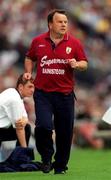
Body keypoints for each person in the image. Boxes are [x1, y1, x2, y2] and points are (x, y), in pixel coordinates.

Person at [23, 9, 88, 174]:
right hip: (43, 93)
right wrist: (28, 71)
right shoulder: (38, 41)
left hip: (65, 95)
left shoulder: (74, 43)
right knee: (44, 126)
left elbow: (84, 63)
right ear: (50, 24)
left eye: (65, 22)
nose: (64, 24)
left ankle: (60, 167)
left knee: (65, 132)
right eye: (60, 22)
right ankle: (46, 158)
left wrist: (77, 64)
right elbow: (29, 57)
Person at [0, 74, 34, 149]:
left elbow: (24, 114)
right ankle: (21, 158)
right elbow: (19, 128)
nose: (32, 90)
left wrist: (25, 119)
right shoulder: (15, 100)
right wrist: (24, 149)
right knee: (25, 128)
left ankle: (19, 158)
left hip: (2, 129)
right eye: (30, 87)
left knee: (26, 127)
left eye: (33, 87)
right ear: (21, 87)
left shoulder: (13, 92)